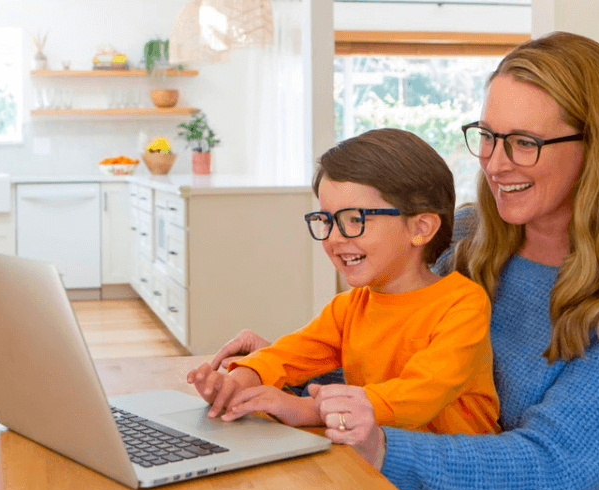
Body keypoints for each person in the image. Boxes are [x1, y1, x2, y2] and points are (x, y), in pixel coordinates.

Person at [210, 32, 599, 490]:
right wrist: (274, 371)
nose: (494, 163)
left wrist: (380, 445)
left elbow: (556, 468)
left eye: (524, 143)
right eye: (488, 136)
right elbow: (399, 363)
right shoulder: (471, 238)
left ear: (598, 149)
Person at [186, 128, 501, 436]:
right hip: (368, 460)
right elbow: (287, 354)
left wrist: (309, 410)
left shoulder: (463, 305)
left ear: (420, 227)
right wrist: (239, 382)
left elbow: (417, 396)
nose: (335, 237)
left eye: (355, 219)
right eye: (327, 220)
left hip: (443, 476)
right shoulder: (348, 307)